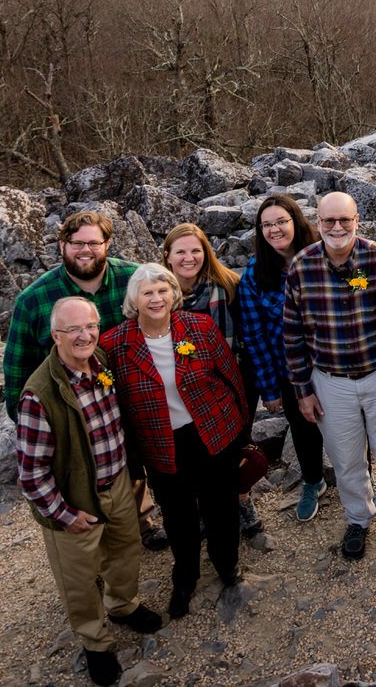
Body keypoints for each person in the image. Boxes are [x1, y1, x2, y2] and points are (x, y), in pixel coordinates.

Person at [15, 297, 162, 686]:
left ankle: (122, 605)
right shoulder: (39, 393)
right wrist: (64, 514)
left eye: (90, 327)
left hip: (117, 483)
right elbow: (31, 475)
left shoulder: (103, 363)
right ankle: (95, 642)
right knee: (78, 580)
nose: (85, 336)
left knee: (126, 550)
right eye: (73, 330)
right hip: (74, 501)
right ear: (55, 335)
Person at [6, 209, 166, 549]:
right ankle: (88, 538)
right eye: (76, 243)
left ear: (107, 244)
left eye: (94, 242)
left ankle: (141, 519)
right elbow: (17, 373)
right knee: (83, 476)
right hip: (76, 409)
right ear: (62, 245)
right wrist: (29, 421)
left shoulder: (132, 279)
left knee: (134, 465)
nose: (85, 250)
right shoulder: (34, 300)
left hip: (132, 396)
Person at [102, 263, 248, 619]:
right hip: (160, 443)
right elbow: (114, 403)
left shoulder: (198, 327)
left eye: (163, 290)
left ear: (174, 294)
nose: (156, 298)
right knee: (179, 516)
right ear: (134, 299)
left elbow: (230, 376)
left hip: (213, 433)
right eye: (147, 292)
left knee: (222, 506)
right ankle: (186, 576)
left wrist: (241, 431)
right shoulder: (115, 344)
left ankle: (227, 563)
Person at [280, 191, 376, 560]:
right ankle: (358, 517)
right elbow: (292, 335)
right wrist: (303, 391)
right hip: (329, 381)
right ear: (318, 222)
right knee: (345, 458)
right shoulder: (301, 267)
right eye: (329, 221)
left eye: (345, 220)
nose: (337, 227)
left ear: (357, 220)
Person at [163, 223, 266, 539]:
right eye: (181, 251)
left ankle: (241, 500)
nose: (189, 258)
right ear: (167, 256)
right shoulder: (157, 293)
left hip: (229, 384)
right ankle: (204, 508)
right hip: (180, 389)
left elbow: (249, 333)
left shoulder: (228, 286)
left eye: (196, 250)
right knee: (192, 452)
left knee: (234, 449)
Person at [236, 194, 330, 522]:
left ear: (296, 221)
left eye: (281, 221)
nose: (275, 229)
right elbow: (254, 334)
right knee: (304, 428)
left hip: (335, 363)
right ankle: (313, 480)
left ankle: (360, 479)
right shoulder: (254, 273)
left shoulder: (323, 254)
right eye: (267, 225)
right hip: (288, 369)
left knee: (350, 421)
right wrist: (269, 388)